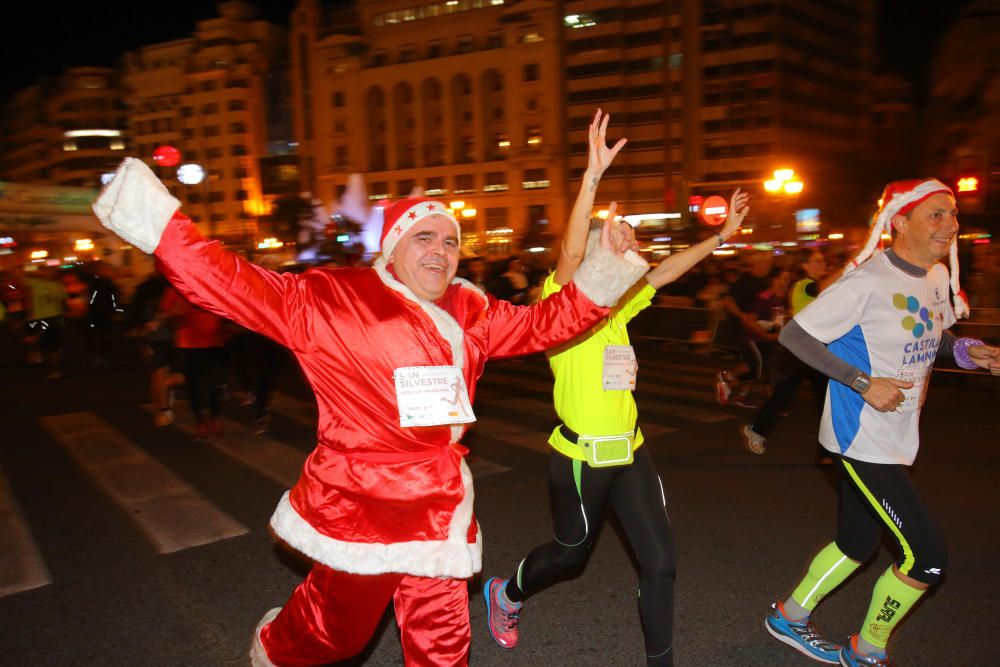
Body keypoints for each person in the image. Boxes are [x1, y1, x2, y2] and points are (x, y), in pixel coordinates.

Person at [92, 156, 649, 667]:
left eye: (451, 241)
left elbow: (542, 323)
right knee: (336, 636)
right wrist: (158, 221)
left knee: (445, 645)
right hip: (362, 507)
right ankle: (271, 648)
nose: (440, 250)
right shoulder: (330, 297)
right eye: (424, 237)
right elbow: (225, 279)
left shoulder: (471, 306)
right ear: (391, 246)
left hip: (440, 509)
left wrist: (607, 265)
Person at [482, 109, 750, 666]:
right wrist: (592, 178)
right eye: (620, 231)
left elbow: (668, 271)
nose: (630, 236)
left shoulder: (622, 305)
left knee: (661, 561)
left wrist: (720, 237)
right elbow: (574, 252)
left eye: (633, 235)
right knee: (571, 553)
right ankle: (504, 594)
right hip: (580, 457)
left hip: (630, 450)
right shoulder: (563, 301)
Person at [763, 179, 1000, 666]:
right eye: (936, 215)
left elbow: (933, 333)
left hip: (897, 435)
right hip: (861, 440)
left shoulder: (934, 276)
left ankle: (789, 616)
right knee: (927, 559)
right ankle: (867, 648)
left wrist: (965, 350)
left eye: (952, 215)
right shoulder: (864, 282)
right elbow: (795, 335)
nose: (950, 225)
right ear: (900, 222)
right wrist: (861, 382)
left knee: (856, 543)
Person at [741, 249, 840, 455]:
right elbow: (820, 286)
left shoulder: (824, 289)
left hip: (814, 349)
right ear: (804, 265)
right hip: (803, 351)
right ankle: (832, 450)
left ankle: (757, 431)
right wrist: (851, 264)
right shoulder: (803, 286)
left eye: (823, 261)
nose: (822, 265)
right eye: (816, 261)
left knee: (797, 394)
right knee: (807, 396)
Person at [159, 284, 230, 440]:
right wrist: (174, 314)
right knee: (194, 385)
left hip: (215, 341)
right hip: (188, 344)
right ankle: (201, 420)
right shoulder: (176, 288)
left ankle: (216, 417)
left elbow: (229, 308)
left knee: (215, 383)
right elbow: (165, 317)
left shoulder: (212, 285)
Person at [716, 250, 778, 407]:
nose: (768, 266)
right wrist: (743, 316)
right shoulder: (744, 281)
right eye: (766, 263)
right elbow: (727, 302)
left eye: (770, 263)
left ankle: (737, 388)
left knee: (752, 362)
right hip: (745, 329)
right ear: (756, 264)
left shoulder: (765, 281)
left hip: (760, 329)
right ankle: (729, 382)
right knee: (755, 364)